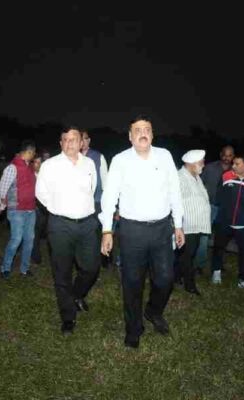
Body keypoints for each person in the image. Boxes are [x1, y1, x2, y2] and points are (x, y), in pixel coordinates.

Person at [99, 115, 184, 349]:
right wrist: (107, 230)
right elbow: (109, 197)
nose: (142, 133)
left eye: (147, 129)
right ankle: (133, 329)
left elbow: (175, 191)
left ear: (152, 134)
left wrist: (178, 224)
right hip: (132, 230)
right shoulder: (120, 160)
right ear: (130, 136)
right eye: (137, 130)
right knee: (132, 282)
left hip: (161, 229)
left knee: (165, 278)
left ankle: (153, 311)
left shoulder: (165, 156)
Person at [35, 126, 99, 335]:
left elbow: (92, 189)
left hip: (87, 223)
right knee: (62, 272)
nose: (70, 143)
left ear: (81, 142)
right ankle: (68, 317)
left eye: (74, 139)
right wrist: (58, 208)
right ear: (61, 143)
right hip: (60, 225)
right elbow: (41, 193)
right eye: (66, 139)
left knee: (91, 268)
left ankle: (76, 294)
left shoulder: (89, 163)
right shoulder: (50, 165)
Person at [211, 154, 244, 291]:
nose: (233, 166)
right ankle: (216, 271)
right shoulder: (226, 176)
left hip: (242, 223)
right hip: (224, 221)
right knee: (219, 247)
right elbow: (218, 196)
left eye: (237, 164)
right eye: (233, 163)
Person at [175, 149, 211, 296]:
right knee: (187, 255)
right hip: (186, 225)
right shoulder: (179, 177)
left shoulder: (196, 176)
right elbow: (175, 202)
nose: (203, 165)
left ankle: (176, 277)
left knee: (187, 253)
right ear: (192, 163)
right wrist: (177, 224)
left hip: (196, 224)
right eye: (201, 162)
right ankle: (190, 285)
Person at [0, 140, 37, 278]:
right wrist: (2, 206)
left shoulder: (30, 167)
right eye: (33, 153)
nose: (34, 156)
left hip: (31, 210)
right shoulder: (12, 167)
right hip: (17, 210)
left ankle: (24, 269)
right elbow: (3, 188)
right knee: (16, 239)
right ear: (29, 152)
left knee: (29, 240)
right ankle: (5, 267)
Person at [195, 145, 235, 273]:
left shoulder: (236, 171)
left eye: (230, 155)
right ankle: (199, 264)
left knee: (222, 238)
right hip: (209, 206)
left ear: (233, 156)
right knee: (204, 237)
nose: (226, 158)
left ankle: (218, 264)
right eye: (225, 155)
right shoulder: (209, 168)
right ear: (221, 154)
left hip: (225, 209)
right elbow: (198, 183)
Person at [80, 129, 110, 267]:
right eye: (81, 139)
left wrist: (107, 204)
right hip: (80, 203)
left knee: (99, 232)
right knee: (84, 233)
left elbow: (106, 181)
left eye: (85, 138)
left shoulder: (98, 156)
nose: (83, 141)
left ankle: (104, 259)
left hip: (97, 201)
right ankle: (86, 259)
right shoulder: (73, 157)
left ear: (89, 140)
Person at [30, 154, 49, 264]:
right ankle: (35, 255)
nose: (38, 165)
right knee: (35, 233)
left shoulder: (45, 175)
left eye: (40, 162)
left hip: (45, 208)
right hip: (34, 208)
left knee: (44, 231)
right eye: (36, 162)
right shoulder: (29, 175)